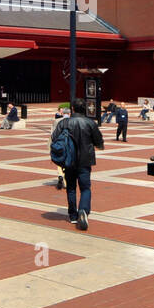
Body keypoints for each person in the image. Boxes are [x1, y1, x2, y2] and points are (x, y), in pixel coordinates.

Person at [57, 99, 104, 230]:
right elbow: (99, 141)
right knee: (85, 188)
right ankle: (83, 210)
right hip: (85, 160)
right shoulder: (90, 123)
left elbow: (55, 139)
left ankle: (72, 215)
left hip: (69, 160)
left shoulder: (64, 123)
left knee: (71, 188)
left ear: (73, 108)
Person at [50, 106, 71, 189]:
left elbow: (53, 135)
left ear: (62, 113)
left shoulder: (57, 121)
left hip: (59, 145)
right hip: (69, 146)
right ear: (70, 114)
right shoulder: (73, 122)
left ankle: (60, 175)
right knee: (68, 162)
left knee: (59, 161)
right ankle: (66, 182)